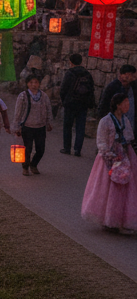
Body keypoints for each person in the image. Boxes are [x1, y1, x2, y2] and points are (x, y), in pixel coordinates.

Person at [81, 92, 137, 233]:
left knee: (124, 190)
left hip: (124, 156)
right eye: (125, 102)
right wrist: (111, 156)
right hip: (109, 159)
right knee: (108, 189)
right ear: (117, 105)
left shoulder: (125, 120)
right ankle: (108, 220)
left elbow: (130, 138)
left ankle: (121, 220)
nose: (127, 105)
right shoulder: (106, 121)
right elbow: (101, 142)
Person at [13, 72, 54, 176]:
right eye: (31, 82)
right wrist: (17, 126)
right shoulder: (23, 96)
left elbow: (48, 109)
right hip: (27, 126)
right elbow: (18, 112)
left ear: (39, 84)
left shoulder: (44, 96)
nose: (33, 85)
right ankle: (25, 167)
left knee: (41, 149)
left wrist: (49, 122)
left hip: (40, 126)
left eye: (36, 82)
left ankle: (34, 164)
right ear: (27, 84)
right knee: (28, 149)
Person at [60, 53, 95, 157]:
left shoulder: (70, 73)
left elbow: (63, 89)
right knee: (80, 127)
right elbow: (91, 89)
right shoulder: (87, 74)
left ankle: (67, 148)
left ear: (71, 62)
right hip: (83, 104)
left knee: (68, 126)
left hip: (70, 103)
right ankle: (77, 150)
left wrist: (64, 101)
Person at [96, 64, 137, 138]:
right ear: (123, 75)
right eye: (130, 75)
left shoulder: (133, 86)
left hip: (131, 124)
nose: (132, 77)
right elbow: (104, 104)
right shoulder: (113, 87)